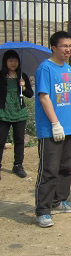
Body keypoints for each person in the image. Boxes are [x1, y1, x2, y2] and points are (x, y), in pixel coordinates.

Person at [34, 31, 71, 228]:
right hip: (51, 128)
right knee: (49, 169)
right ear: (53, 47)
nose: (68, 49)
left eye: (70, 45)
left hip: (68, 126)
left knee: (65, 167)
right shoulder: (45, 68)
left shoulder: (68, 69)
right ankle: (43, 210)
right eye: (64, 46)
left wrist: (68, 124)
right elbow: (44, 97)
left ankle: (59, 201)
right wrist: (55, 123)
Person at [0, 50, 34, 179]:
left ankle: (18, 165)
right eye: (10, 60)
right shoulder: (1, 76)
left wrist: (24, 87)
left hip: (19, 112)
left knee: (19, 140)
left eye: (15, 60)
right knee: (1, 140)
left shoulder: (22, 76)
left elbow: (30, 94)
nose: (13, 63)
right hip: (3, 111)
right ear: (5, 62)